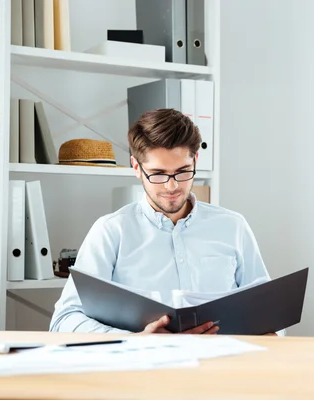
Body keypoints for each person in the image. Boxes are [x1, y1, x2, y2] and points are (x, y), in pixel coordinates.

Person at [50, 108, 279, 335]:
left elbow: (271, 315)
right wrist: (136, 341)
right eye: (158, 174)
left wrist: (272, 333)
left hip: (223, 366)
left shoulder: (233, 227)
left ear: (196, 160)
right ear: (136, 167)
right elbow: (64, 320)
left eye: (182, 172)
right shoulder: (111, 232)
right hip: (144, 367)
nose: (172, 187)